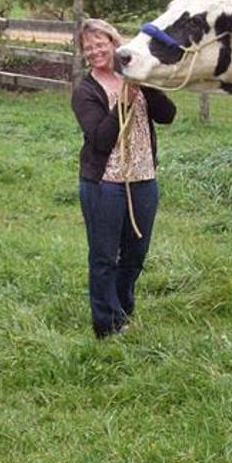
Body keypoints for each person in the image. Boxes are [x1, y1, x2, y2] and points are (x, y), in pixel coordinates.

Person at [71, 18, 176, 338]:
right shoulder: (85, 92)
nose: (95, 51)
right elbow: (101, 140)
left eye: (101, 44)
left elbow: (167, 116)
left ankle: (123, 309)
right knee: (104, 257)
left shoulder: (134, 77)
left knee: (135, 255)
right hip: (104, 185)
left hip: (143, 179)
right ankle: (107, 324)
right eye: (88, 47)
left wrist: (142, 83)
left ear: (115, 44)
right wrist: (122, 104)